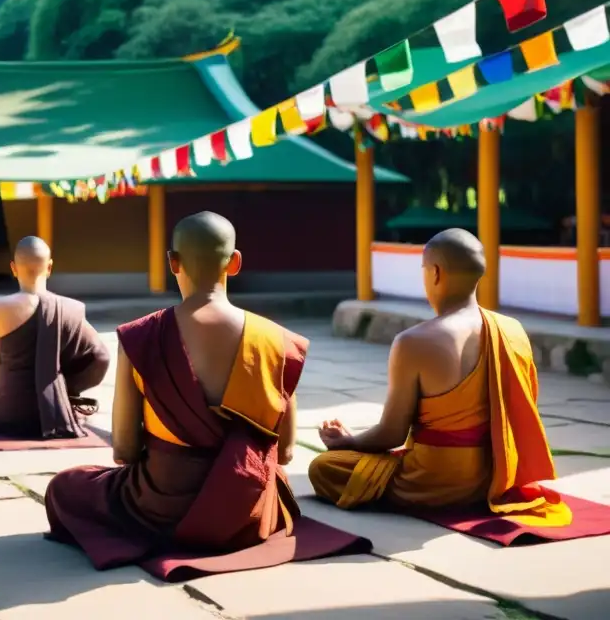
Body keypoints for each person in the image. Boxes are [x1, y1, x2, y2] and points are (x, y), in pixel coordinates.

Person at [44, 212, 308, 569]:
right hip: (249, 514)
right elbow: (287, 451)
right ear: (234, 263)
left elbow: (124, 450)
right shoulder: (276, 340)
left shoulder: (142, 336)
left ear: (173, 262)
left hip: (160, 509)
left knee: (66, 486)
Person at [309, 228, 571, 528]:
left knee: (324, 468)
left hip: (431, 479)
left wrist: (348, 441)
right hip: (494, 476)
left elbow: (392, 434)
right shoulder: (513, 331)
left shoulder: (413, 341)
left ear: (435, 273)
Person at [0, 236, 110, 438]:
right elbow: (101, 358)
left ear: (13, 268)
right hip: (56, 410)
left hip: (8, 414)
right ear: (50, 267)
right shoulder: (71, 309)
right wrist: (62, 385)